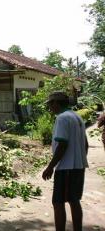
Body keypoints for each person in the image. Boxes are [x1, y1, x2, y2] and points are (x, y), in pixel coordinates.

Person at [42, 91, 89, 231]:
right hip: (78, 166)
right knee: (74, 201)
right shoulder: (77, 117)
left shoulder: (62, 118)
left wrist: (50, 167)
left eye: (50, 104)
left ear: (56, 103)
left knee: (58, 202)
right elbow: (85, 144)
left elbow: (62, 144)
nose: (50, 107)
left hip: (66, 167)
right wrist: (80, 159)